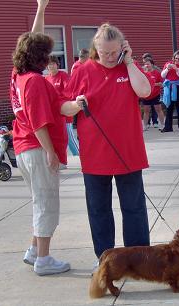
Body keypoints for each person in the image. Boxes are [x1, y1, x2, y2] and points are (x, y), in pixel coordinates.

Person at [63, 23, 151, 263]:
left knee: (134, 208)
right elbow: (64, 106)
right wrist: (76, 104)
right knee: (99, 211)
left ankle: (139, 258)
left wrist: (130, 62)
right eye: (104, 53)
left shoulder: (127, 68)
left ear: (123, 48)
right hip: (95, 155)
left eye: (114, 52)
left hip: (128, 153)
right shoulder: (82, 70)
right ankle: (105, 259)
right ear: (95, 49)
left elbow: (145, 91)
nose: (110, 57)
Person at [10, 0, 78, 275]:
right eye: (47, 54)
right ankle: (44, 260)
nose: (50, 57)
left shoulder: (18, 75)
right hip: (38, 148)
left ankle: (34, 251)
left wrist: (41, 8)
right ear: (39, 58)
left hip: (23, 147)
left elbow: (32, 40)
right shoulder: (36, 82)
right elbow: (40, 121)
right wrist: (50, 151)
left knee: (39, 200)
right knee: (47, 203)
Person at [46, 55, 79, 159]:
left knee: (69, 137)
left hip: (64, 112)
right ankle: (60, 159)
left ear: (57, 64)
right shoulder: (46, 79)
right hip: (53, 114)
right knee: (57, 138)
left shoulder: (63, 75)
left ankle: (80, 157)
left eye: (53, 63)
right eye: (49, 64)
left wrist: (59, 99)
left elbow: (69, 90)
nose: (51, 66)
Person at [161, 50, 179, 132]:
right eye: (176, 58)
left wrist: (177, 70)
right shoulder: (168, 64)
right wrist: (167, 69)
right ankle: (168, 127)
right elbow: (162, 75)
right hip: (169, 88)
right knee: (169, 107)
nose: (177, 60)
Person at [141, 58, 165, 131]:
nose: (146, 65)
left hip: (155, 95)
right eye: (145, 64)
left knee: (158, 109)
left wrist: (153, 84)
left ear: (152, 64)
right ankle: (145, 126)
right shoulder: (143, 73)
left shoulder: (157, 73)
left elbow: (162, 84)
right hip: (146, 95)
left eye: (148, 63)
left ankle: (162, 124)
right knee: (146, 111)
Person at [142, 53, 159, 128]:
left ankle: (155, 121)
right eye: (144, 59)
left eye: (148, 59)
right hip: (146, 92)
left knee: (155, 108)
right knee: (146, 109)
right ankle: (147, 123)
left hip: (155, 92)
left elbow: (160, 75)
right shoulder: (143, 68)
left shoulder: (155, 68)